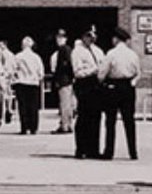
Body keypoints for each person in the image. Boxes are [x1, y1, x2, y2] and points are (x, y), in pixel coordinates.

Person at [99, 26, 141, 160]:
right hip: (128, 87)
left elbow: (102, 73)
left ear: (116, 39)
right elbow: (138, 73)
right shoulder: (133, 54)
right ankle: (133, 152)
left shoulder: (111, 54)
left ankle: (109, 151)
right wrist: (132, 83)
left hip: (113, 87)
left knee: (110, 121)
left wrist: (101, 81)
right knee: (129, 121)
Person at [71, 27, 105, 159]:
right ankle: (81, 149)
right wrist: (93, 70)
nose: (91, 38)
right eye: (89, 36)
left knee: (96, 117)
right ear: (83, 36)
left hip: (97, 84)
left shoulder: (98, 51)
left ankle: (93, 149)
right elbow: (77, 72)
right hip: (84, 84)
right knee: (84, 117)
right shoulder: (78, 52)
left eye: (93, 36)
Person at [13, 36, 44, 135]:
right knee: (33, 106)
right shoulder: (36, 57)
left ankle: (24, 127)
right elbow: (41, 72)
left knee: (23, 106)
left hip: (21, 83)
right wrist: (38, 78)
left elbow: (13, 69)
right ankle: (34, 127)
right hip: (33, 83)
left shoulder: (18, 56)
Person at [50, 29, 75, 134]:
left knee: (64, 104)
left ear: (65, 38)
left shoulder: (64, 50)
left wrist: (58, 79)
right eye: (58, 37)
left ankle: (65, 126)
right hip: (67, 80)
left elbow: (65, 66)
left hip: (64, 80)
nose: (58, 40)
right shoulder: (66, 49)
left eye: (61, 37)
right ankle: (67, 124)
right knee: (67, 104)